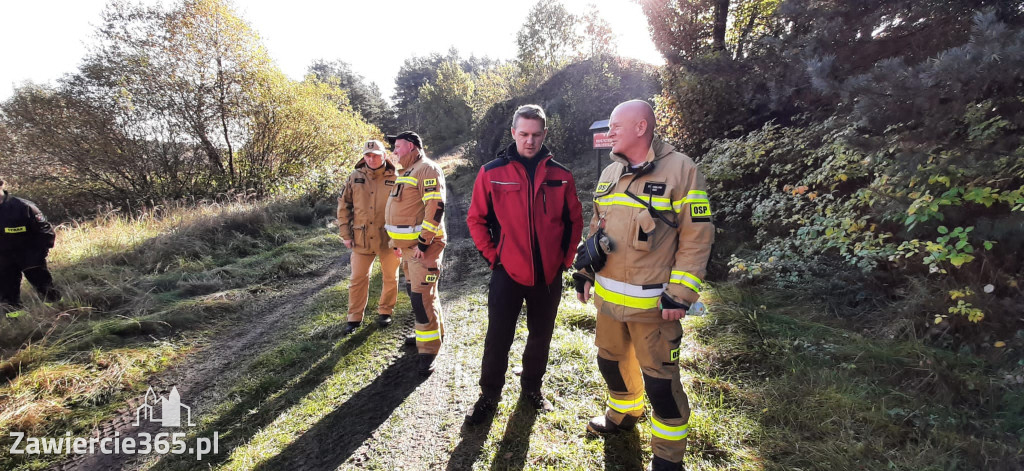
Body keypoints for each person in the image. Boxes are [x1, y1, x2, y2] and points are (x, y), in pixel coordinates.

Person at [573, 100, 714, 471]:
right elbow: (596, 227)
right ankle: (623, 413)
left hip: (654, 308)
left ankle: (668, 460)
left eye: (616, 125)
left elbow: (697, 237)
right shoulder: (609, 173)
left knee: (662, 389)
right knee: (610, 363)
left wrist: (681, 294)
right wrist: (585, 271)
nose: (609, 132)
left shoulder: (682, 170)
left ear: (641, 127)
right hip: (607, 303)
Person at [464, 104, 583, 424]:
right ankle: (489, 396)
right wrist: (494, 257)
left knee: (540, 335)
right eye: (523, 134)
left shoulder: (561, 175)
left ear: (544, 134)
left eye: (536, 134)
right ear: (514, 133)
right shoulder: (491, 172)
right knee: (498, 336)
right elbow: (476, 220)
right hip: (507, 272)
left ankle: (532, 388)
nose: (529, 140)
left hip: (548, 274)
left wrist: (566, 259)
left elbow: (574, 221)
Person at [384, 131, 447, 376]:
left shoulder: (427, 169)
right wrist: (399, 243)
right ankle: (433, 333)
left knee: (421, 298)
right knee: (420, 293)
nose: (395, 152)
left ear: (411, 146)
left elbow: (436, 207)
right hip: (409, 249)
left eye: (398, 147)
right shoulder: (407, 172)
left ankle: (428, 350)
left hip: (424, 249)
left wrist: (422, 243)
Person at [336, 139, 401, 335]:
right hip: (361, 237)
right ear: (364, 156)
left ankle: (385, 311)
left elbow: (404, 208)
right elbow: (343, 206)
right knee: (357, 278)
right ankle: (354, 318)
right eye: (367, 155)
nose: (371, 159)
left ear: (384, 155)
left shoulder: (397, 177)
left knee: (390, 277)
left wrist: (401, 239)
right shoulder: (355, 177)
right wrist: (345, 234)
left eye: (375, 155)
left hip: (389, 238)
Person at [0, 177, 60, 310]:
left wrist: (38, 255)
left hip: (30, 257)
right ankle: (16, 323)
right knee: (8, 296)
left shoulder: (23, 207)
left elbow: (46, 232)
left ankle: (57, 313)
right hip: (4, 260)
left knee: (45, 288)